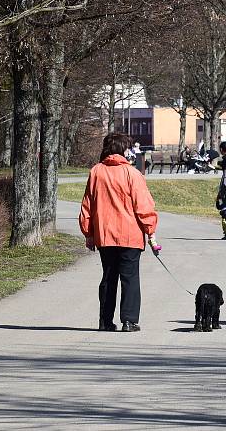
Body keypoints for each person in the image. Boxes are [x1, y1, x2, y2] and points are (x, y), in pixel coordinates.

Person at [79, 132, 159, 333]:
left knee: (108, 277)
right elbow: (143, 206)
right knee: (130, 278)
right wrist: (150, 231)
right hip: (129, 235)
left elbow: (87, 205)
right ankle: (129, 320)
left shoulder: (96, 172)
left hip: (105, 235)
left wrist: (88, 233)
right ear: (123, 149)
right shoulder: (132, 174)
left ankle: (105, 321)